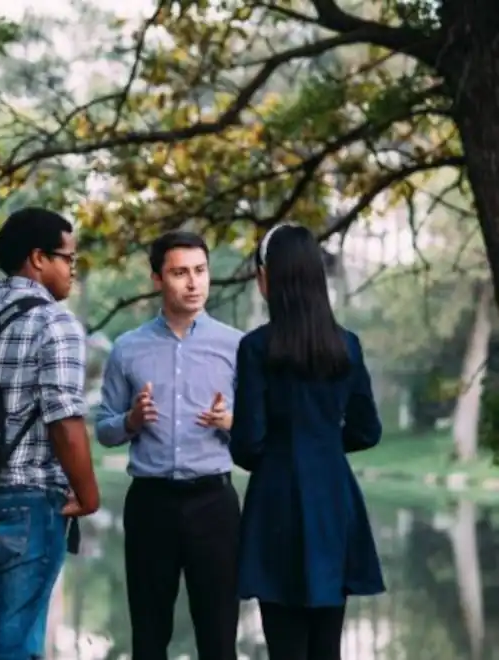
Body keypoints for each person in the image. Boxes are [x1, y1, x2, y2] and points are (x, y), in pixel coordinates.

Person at [0, 207, 101, 660]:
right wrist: (88, 495)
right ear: (38, 258)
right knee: (12, 644)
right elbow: (64, 419)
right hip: (27, 504)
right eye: (68, 258)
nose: (73, 269)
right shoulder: (55, 323)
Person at [230, 223, 384, 660]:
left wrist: (281, 451)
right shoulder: (347, 345)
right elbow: (367, 430)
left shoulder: (256, 347)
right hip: (333, 499)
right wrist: (324, 445)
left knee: (285, 648)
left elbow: (247, 444)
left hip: (276, 500)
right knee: (326, 647)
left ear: (268, 277)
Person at [95, 231, 243, 660]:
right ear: (158, 279)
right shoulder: (127, 349)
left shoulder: (236, 346)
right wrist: (131, 421)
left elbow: (259, 431)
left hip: (214, 504)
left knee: (219, 638)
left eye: (200, 271)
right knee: (148, 636)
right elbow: (104, 429)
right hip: (150, 504)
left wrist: (230, 422)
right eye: (180, 273)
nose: (193, 283)